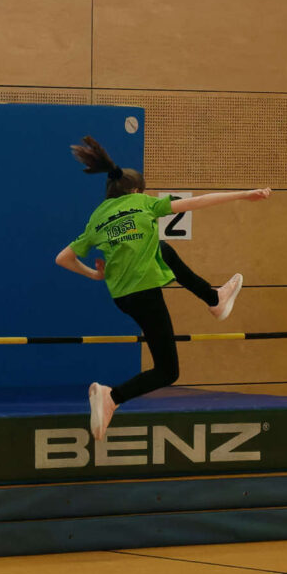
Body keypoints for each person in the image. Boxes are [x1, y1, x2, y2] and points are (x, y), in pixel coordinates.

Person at [56, 137, 271, 440]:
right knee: (168, 371)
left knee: (163, 249)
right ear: (136, 191)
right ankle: (112, 396)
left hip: (123, 297)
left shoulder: (98, 217)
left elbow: (63, 258)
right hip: (144, 293)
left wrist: (95, 275)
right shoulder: (143, 203)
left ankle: (214, 299)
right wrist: (244, 195)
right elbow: (196, 202)